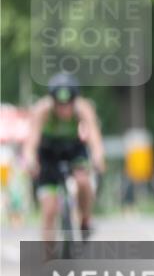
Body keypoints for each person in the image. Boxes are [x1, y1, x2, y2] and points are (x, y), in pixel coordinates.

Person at [22, 73, 106, 254]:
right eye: (59, 105)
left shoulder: (83, 108)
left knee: (83, 181)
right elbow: (31, 142)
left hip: (73, 150)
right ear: (52, 101)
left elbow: (94, 137)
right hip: (48, 153)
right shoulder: (42, 110)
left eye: (68, 104)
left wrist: (98, 158)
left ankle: (85, 220)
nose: (64, 109)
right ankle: (48, 256)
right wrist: (30, 161)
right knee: (49, 209)